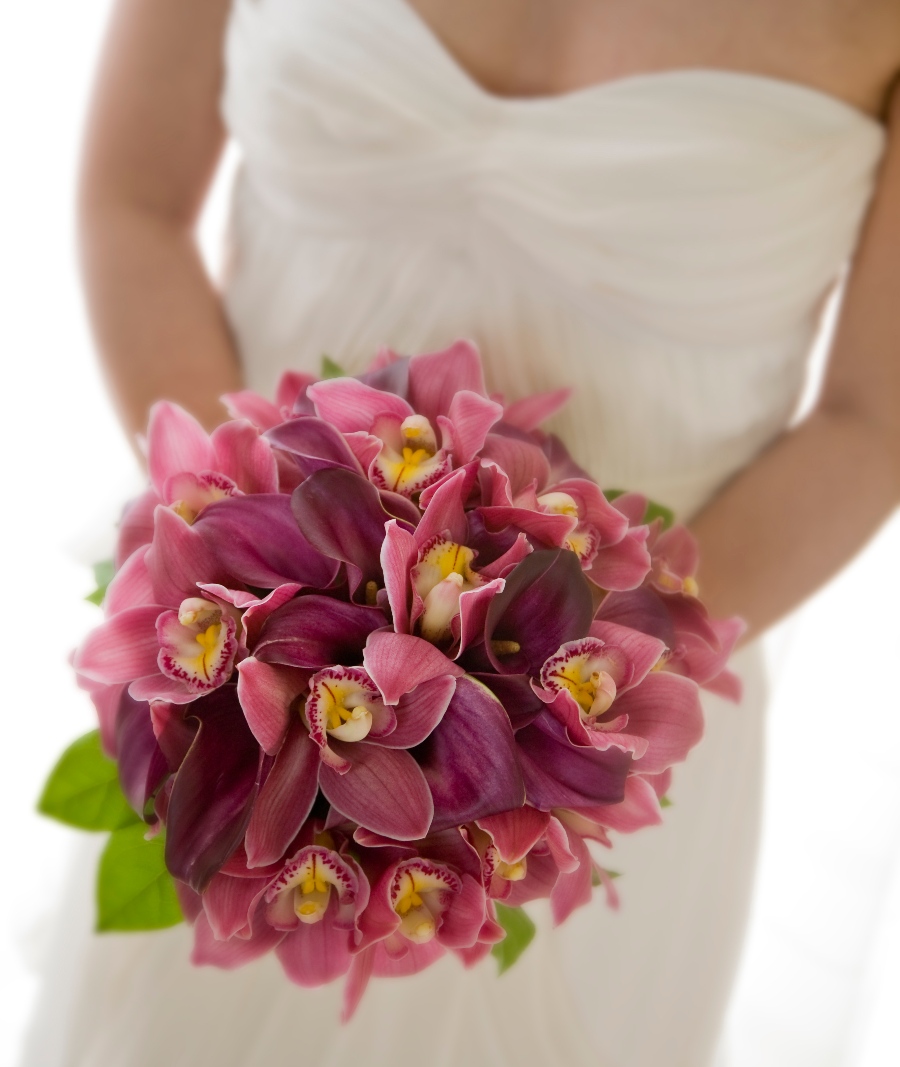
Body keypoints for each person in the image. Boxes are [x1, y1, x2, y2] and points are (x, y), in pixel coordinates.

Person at [22, 1, 900, 1064]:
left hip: (603, 735)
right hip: (239, 689)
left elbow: (874, 416)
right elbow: (137, 202)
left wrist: (570, 704)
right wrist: (231, 549)